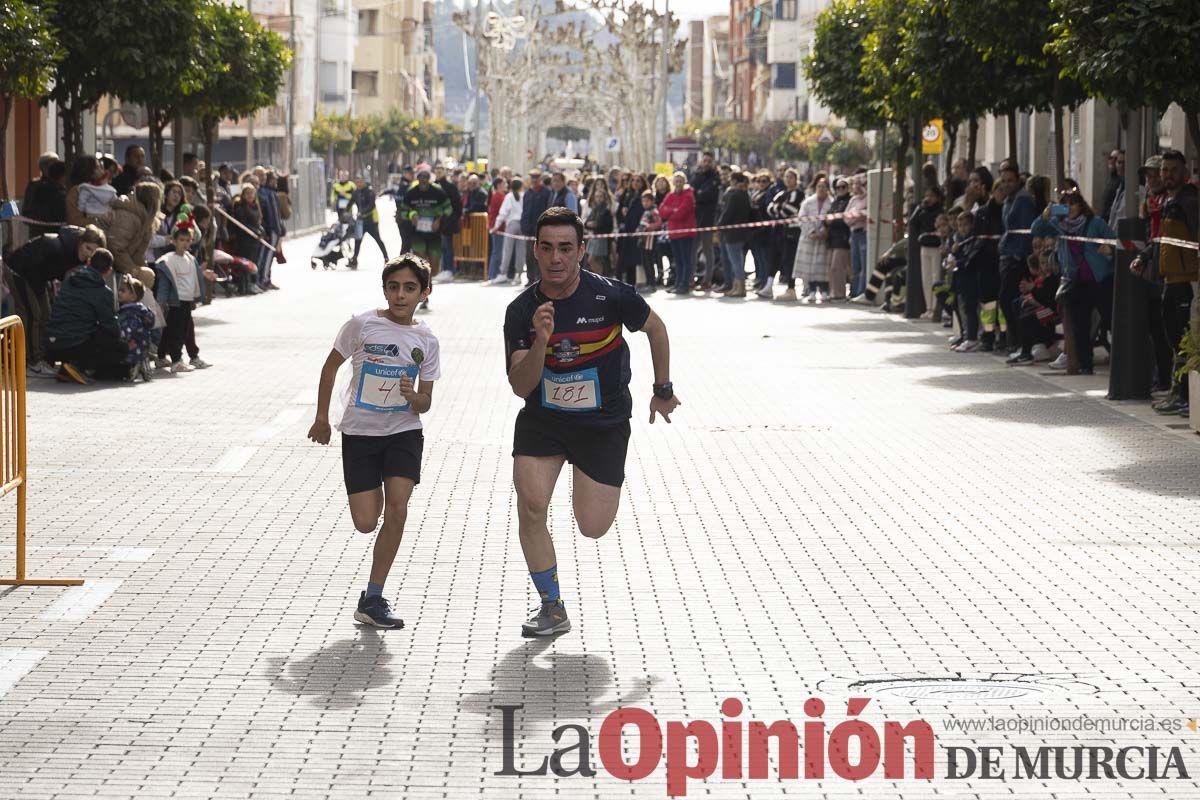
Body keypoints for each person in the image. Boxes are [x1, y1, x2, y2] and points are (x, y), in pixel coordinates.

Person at [502, 207, 680, 636]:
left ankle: (588, 474)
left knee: (593, 526)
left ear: (582, 250)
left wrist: (662, 389)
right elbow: (520, 386)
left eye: (566, 248)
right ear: (536, 251)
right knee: (530, 506)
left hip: (603, 422)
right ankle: (551, 606)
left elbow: (656, 329)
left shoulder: (611, 296)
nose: (556, 258)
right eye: (547, 248)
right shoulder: (521, 310)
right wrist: (541, 340)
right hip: (544, 419)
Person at [307, 256, 440, 629]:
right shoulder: (361, 325)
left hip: (403, 432)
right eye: (394, 287)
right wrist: (322, 418)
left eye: (410, 288)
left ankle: (373, 596)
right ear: (384, 289)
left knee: (398, 509)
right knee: (367, 521)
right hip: (360, 433)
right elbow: (330, 366)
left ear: (424, 293)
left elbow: (426, 402)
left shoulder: (426, 340)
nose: (401, 295)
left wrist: (414, 397)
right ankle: (374, 505)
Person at [1134, 150, 1197, 414]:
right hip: (1170, 280)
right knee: (1173, 338)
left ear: (1184, 173)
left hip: (1187, 281)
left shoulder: (1189, 202)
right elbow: (1161, 240)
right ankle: (1177, 393)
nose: (1167, 175)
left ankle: (1185, 396)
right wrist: (1144, 257)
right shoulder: (1168, 202)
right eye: (1165, 170)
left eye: (1173, 170)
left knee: (1183, 338)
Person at [1032, 190, 1116, 375]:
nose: (1069, 208)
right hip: (1076, 281)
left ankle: (1119, 361)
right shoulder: (1058, 225)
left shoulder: (1096, 222)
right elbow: (1036, 230)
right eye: (1065, 205)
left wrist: (1109, 250)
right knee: (1080, 325)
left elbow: (1114, 240)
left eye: (1073, 203)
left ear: (1081, 205)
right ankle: (1085, 364)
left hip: (1100, 280)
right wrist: (1045, 216)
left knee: (1110, 320)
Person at [4, 224, 106, 376]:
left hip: (37, 275)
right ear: (80, 242)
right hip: (19, 270)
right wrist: (39, 296)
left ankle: (41, 359)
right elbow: (33, 270)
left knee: (46, 315)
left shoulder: (73, 252)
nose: (89, 254)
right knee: (33, 315)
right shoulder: (57, 247)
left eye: (93, 251)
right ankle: (33, 361)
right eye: (87, 248)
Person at [46, 248, 127, 384]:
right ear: (108, 271)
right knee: (119, 348)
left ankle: (68, 368)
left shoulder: (69, 280)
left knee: (81, 330)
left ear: (89, 262)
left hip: (53, 343)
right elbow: (110, 325)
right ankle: (81, 367)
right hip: (77, 344)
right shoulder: (102, 291)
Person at [154, 226, 214, 372]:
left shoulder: (190, 259)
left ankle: (162, 356)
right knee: (178, 332)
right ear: (174, 241)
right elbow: (164, 284)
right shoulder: (168, 261)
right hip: (175, 302)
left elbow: (193, 277)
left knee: (176, 330)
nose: (185, 243)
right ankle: (176, 360)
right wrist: (161, 302)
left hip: (186, 301)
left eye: (188, 240)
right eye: (181, 240)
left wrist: (203, 278)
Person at [398, 168, 452, 301]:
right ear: (417, 180)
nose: (423, 184)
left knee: (433, 268)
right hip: (417, 233)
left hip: (434, 233)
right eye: (420, 180)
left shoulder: (438, 191)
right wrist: (412, 216)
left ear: (429, 180)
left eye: (425, 181)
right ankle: (424, 290)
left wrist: (439, 219)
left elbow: (448, 209)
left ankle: (429, 281)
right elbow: (403, 211)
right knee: (421, 263)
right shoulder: (411, 192)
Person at [761, 168, 804, 301]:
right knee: (774, 258)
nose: (788, 180)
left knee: (789, 259)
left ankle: (791, 288)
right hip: (778, 230)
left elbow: (789, 210)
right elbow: (770, 209)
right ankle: (768, 286)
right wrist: (779, 208)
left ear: (796, 179)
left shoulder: (798, 193)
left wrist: (779, 208)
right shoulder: (781, 194)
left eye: (791, 177)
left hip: (791, 231)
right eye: (786, 177)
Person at [658, 172, 697, 295]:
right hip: (673, 232)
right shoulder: (670, 195)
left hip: (685, 233)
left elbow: (681, 213)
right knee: (678, 261)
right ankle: (677, 284)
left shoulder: (688, 195)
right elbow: (661, 211)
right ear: (673, 182)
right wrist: (672, 210)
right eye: (676, 181)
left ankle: (685, 284)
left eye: (680, 181)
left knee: (686, 260)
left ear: (684, 182)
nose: (678, 183)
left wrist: (671, 211)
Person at [794, 176, 832, 303]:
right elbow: (802, 217)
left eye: (824, 186)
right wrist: (811, 231)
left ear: (828, 188)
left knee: (823, 266)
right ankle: (811, 290)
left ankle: (824, 290)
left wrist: (824, 232)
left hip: (824, 238)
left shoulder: (831, 203)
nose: (821, 189)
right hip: (809, 238)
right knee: (810, 265)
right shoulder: (807, 202)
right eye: (819, 186)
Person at [715, 171, 752, 297]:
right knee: (737, 260)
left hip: (732, 233)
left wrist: (719, 226)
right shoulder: (745, 194)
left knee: (735, 260)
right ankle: (736, 286)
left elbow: (727, 213)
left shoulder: (735, 195)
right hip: (740, 232)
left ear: (734, 182)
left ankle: (740, 287)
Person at [690, 152, 720, 290]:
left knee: (708, 252)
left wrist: (699, 193)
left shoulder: (715, 177)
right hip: (694, 220)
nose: (706, 163)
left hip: (708, 220)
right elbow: (691, 191)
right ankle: (690, 279)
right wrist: (698, 193)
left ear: (713, 162)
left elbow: (706, 195)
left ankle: (707, 280)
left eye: (709, 161)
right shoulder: (697, 175)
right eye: (704, 160)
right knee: (692, 251)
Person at [117, 276, 156, 381]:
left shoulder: (128, 312)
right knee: (142, 355)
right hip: (144, 341)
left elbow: (128, 328)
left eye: (123, 291)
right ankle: (144, 367)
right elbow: (150, 324)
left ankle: (134, 369)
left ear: (133, 296)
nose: (119, 292)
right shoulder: (142, 311)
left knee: (131, 358)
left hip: (133, 342)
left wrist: (121, 336)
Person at [21, 152, 67, 237]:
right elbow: (27, 211)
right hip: (39, 233)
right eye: (51, 165)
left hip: (59, 232)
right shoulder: (35, 186)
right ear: (42, 167)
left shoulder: (63, 185)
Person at [520, 169, 553, 284]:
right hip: (528, 230)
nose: (534, 180)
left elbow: (548, 209)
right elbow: (524, 210)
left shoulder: (546, 192)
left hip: (540, 229)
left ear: (540, 179)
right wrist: (523, 225)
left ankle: (540, 278)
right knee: (529, 255)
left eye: (536, 178)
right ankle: (530, 278)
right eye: (532, 178)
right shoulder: (528, 193)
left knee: (541, 255)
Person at [349, 175, 388, 269]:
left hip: (371, 220)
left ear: (364, 182)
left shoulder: (369, 192)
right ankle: (354, 259)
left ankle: (386, 258)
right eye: (356, 182)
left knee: (378, 239)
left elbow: (371, 205)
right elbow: (350, 203)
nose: (358, 184)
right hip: (360, 221)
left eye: (360, 182)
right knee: (357, 240)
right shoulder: (356, 193)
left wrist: (363, 212)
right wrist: (345, 212)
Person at [493, 178, 525, 285]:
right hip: (522, 224)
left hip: (512, 223)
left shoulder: (509, 197)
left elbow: (503, 213)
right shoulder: (524, 196)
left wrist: (496, 226)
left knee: (507, 250)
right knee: (521, 251)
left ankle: (503, 273)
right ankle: (518, 275)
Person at [825, 177, 853, 301]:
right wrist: (827, 221)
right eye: (838, 187)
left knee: (837, 267)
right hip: (831, 238)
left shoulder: (850, 201)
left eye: (843, 187)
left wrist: (832, 221)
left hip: (843, 238)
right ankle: (833, 292)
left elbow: (846, 220)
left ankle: (840, 293)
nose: (840, 189)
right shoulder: (835, 202)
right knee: (830, 267)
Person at [434, 165, 462, 283]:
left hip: (447, 222)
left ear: (444, 173)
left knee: (447, 246)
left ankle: (449, 270)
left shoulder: (450, 187)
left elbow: (457, 205)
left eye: (441, 172)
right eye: (437, 172)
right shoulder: (434, 186)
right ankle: (443, 269)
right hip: (437, 222)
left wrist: (451, 218)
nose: (439, 173)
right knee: (441, 247)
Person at [584, 181, 615, 277]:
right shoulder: (595, 208)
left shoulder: (606, 210)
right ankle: (600, 278)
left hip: (601, 238)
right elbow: (587, 222)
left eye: (600, 196)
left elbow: (606, 225)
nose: (598, 198)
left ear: (604, 198)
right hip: (593, 237)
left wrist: (595, 225)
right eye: (596, 196)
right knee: (594, 260)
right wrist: (591, 224)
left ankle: (600, 278)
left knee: (594, 260)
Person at [847, 176, 869, 297]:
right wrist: (854, 219)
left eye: (858, 184)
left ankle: (861, 291)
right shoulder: (853, 200)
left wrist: (859, 216)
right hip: (854, 233)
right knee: (855, 264)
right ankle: (854, 291)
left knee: (863, 263)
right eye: (854, 184)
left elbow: (866, 214)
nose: (856, 186)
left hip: (864, 233)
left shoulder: (868, 199)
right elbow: (846, 216)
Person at [636, 190, 662, 292]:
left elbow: (658, 224)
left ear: (652, 201)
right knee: (645, 262)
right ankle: (648, 282)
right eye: (643, 201)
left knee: (649, 261)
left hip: (649, 241)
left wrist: (647, 228)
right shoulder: (646, 212)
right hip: (643, 240)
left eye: (647, 201)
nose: (645, 203)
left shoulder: (654, 211)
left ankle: (652, 283)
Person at [485, 176, 508, 282]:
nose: (506, 185)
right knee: (497, 251)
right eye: (504, 183)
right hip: (497, 227)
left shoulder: (498, 196)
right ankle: (493, 275)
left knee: (497, 251)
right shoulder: (498, 197)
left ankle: (493, 274)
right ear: (499, 185)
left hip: (497, 227)